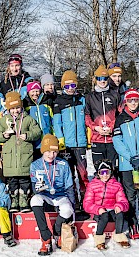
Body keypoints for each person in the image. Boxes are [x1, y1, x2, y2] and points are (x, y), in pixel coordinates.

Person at [112, 89, 139, 241]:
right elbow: (117, 141)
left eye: (136, 100)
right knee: (130, 196)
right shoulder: (120, 119)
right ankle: (132, 223)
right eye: (130, 100)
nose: (133, 103)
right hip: (128, 164)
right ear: (125, 101)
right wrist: (130, 157)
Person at [0, 91, 41, 213]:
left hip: (24, 157)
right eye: (12, 109)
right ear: (8, 109)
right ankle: (14, 201)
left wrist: (27, 135)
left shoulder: (28, 119)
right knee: (12, 182)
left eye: (17, 108)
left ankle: (24, 201)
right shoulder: (4, 120)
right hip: (10, 158)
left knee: (25, 181)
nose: (15, 111)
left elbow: (37, 132)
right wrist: (4, 135)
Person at [30, 134, 75, 255]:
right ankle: (46, 238)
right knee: (34, 200)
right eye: (48, 151)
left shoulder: (64, 164)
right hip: (45, 196)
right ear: (43, 150)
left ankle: (56, 231)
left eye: (54, 152)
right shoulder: (35, 165)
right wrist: (38, 189)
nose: (51, 155)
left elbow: (69, 186)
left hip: (60, 196)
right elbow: (35, 188)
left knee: (67, 210)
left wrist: (73, 205)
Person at [53, 70, 88, 212]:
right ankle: (73, 201)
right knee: (69, 175)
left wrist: (88, 137)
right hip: (66, 145)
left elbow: (87, 119)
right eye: (67, 86)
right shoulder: (58, 102)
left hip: (80, 143)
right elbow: (57, 124)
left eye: (73, 85)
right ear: (63, 87)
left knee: (83, 173)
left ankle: (85, 200)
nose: (70, 88)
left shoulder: (82, 100)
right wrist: (60, 141)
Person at [83, 159, 130, 250]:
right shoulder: (92, 185)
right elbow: (87, 204)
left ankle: (119, 235)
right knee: (104, 216)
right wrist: (97, 209)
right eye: (102, 172)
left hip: (111, 209)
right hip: (98, 211)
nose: (105, 175)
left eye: (107, 172)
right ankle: (99, 238)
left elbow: (123, 201)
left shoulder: (116, 185)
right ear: (98, 173)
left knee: (120, 214)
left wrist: (120, 206)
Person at [85, 65, 121, 168]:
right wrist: (95, 128)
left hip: (111, 139)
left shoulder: (115, 95)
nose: (102, 81)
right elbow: (87, 116)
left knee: (113, 169)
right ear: (95, 79)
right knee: (99, 169)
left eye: (105, 78)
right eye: (99, 78)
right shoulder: (90, 97)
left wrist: (112, 128)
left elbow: (120, 115)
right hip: (97, 138)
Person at [23, 80, 54, 160]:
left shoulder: (46, 102)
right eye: (32, 91)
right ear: (28, 92)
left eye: (37, 91)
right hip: (33, 141)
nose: (35, 93)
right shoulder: (26, 104)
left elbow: (52, 120)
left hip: (46, 138)